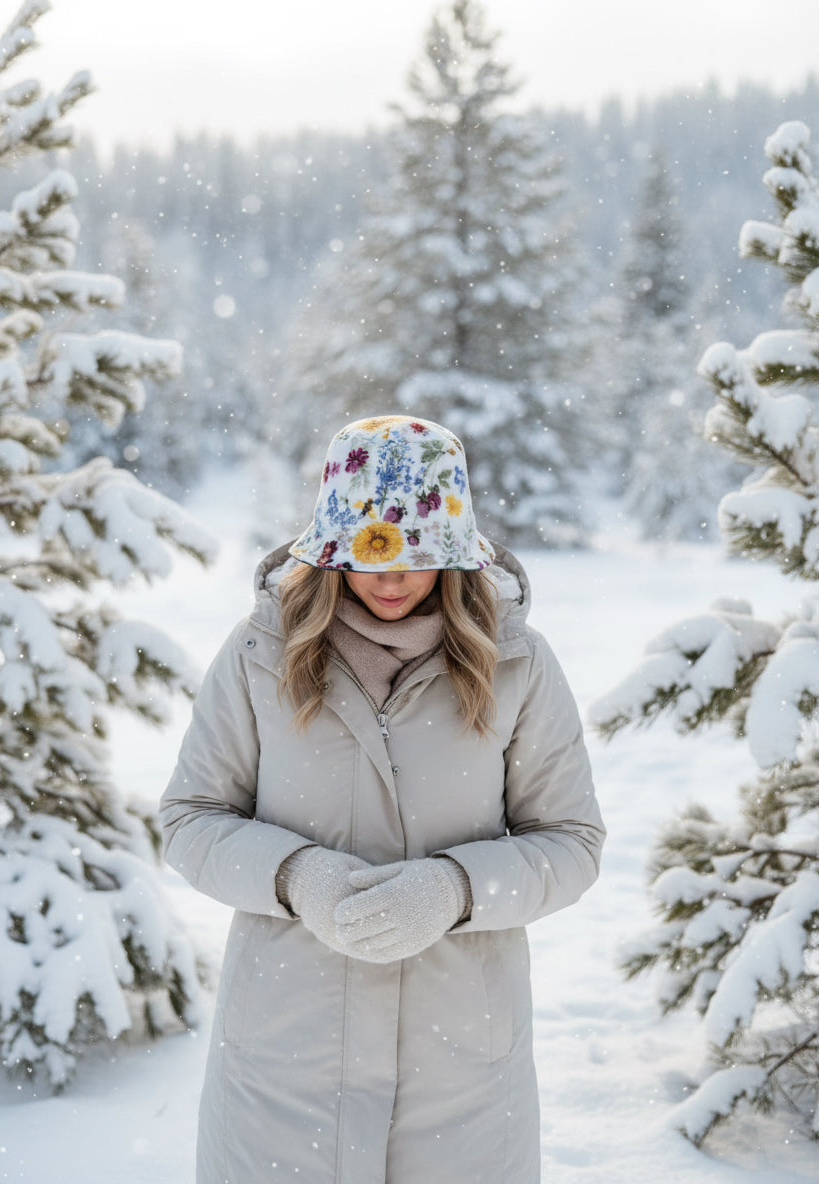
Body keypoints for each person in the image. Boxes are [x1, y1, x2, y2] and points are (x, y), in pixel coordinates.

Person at [160, 415, 605, 1184]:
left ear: (455, 550)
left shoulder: (518, 665)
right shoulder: (258, 655)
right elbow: (191, 818)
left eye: (419, 552)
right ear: (331, 546)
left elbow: (570, 839)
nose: (392, 577)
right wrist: (298, 878)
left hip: (461, 1071)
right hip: (285, 1063)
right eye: (372, 551)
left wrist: (454, 890)